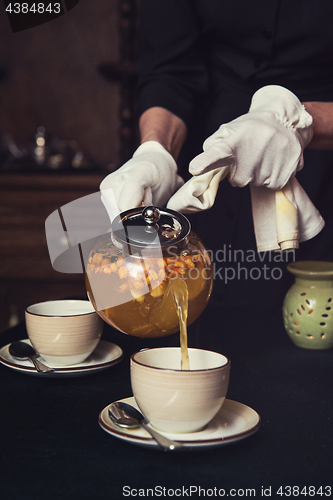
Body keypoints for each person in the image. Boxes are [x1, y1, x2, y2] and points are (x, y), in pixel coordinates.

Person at [100, 0, 333, 307]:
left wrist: (301, 123)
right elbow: (170, 71)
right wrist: (155, 152)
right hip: (208, 155)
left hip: (323, 163)